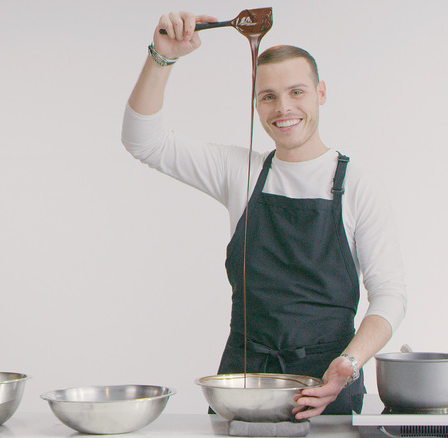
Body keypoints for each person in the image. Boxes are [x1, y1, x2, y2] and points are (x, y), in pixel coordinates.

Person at [122, 11, 407, 419]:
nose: (283, 108)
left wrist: (350, 363)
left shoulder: (360, 186)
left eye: (297, 92)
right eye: (268, 96)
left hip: (328, 384)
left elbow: (390, 295)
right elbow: (142, 141)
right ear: (255, 101)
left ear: (321, 93)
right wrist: (162, 57)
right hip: (244, 382)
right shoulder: (241, 172)